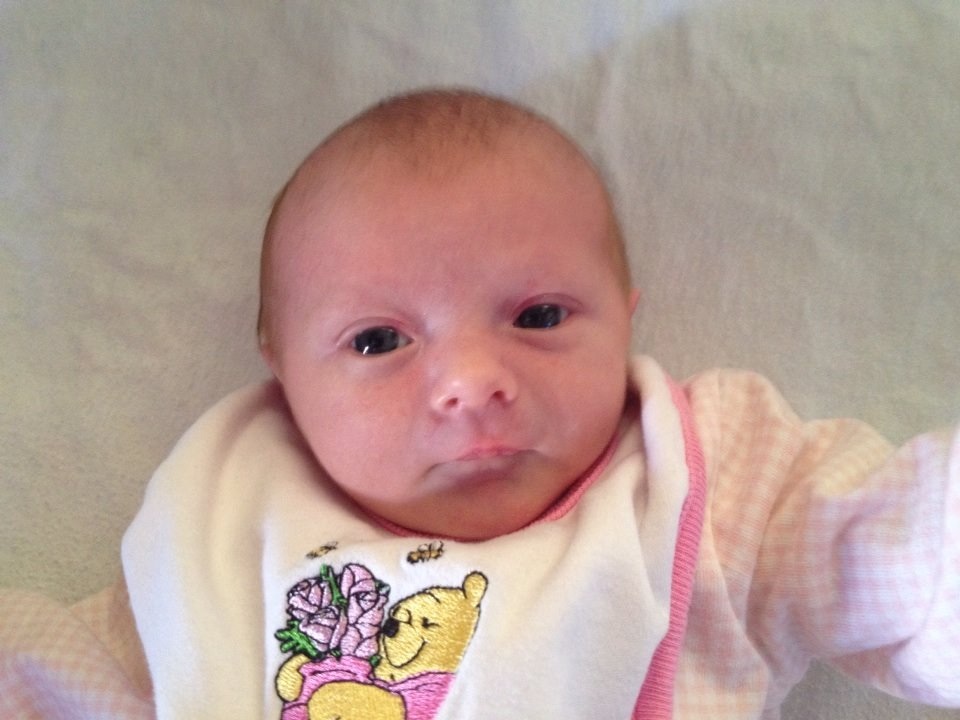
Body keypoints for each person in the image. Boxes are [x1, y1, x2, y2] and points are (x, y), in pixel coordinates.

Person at [119, 89, 958, 719]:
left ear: (623, 320)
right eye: (377, 341)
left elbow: (905, 550)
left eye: (540, 317)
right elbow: (85, 681)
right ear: (282, 371)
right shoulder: (226, 523)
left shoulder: (718, 483)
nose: (471, 381)